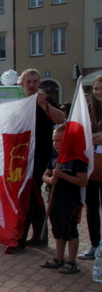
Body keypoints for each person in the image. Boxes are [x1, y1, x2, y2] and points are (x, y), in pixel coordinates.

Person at [8, 68, 66, 253]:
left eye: (35, 81)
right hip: (23, 155)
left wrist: (45, 106)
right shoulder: (22, 103)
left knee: (30, 195)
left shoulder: (45, 100)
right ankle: (39, 236)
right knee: (33, 195)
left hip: (41, 155)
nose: (32, 85)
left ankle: (21, 240)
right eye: (28, 82)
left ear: (39, 82)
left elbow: (61, 119)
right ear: (23, 84)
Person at [39, 125, 88, 273]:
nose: (55, 144)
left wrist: (62, 175)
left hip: (70, 201)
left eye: (59, 140)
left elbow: (83, 180)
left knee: (70, 230)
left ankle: (71, 261)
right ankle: (59, 258)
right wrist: (49, 180)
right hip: (55, 200)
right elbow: (45, 175)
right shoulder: (55, 158)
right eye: (54, 140)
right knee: (58, 229)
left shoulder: (77, 159)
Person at [82, 75, 102, 259]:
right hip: (93, 164)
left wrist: (92, 136)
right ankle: (95, 245)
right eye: (96, 88)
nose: (98, 92)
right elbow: (83, 134)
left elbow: (90, 136)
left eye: (101, 89)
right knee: (92, 207)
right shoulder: (89, 109)